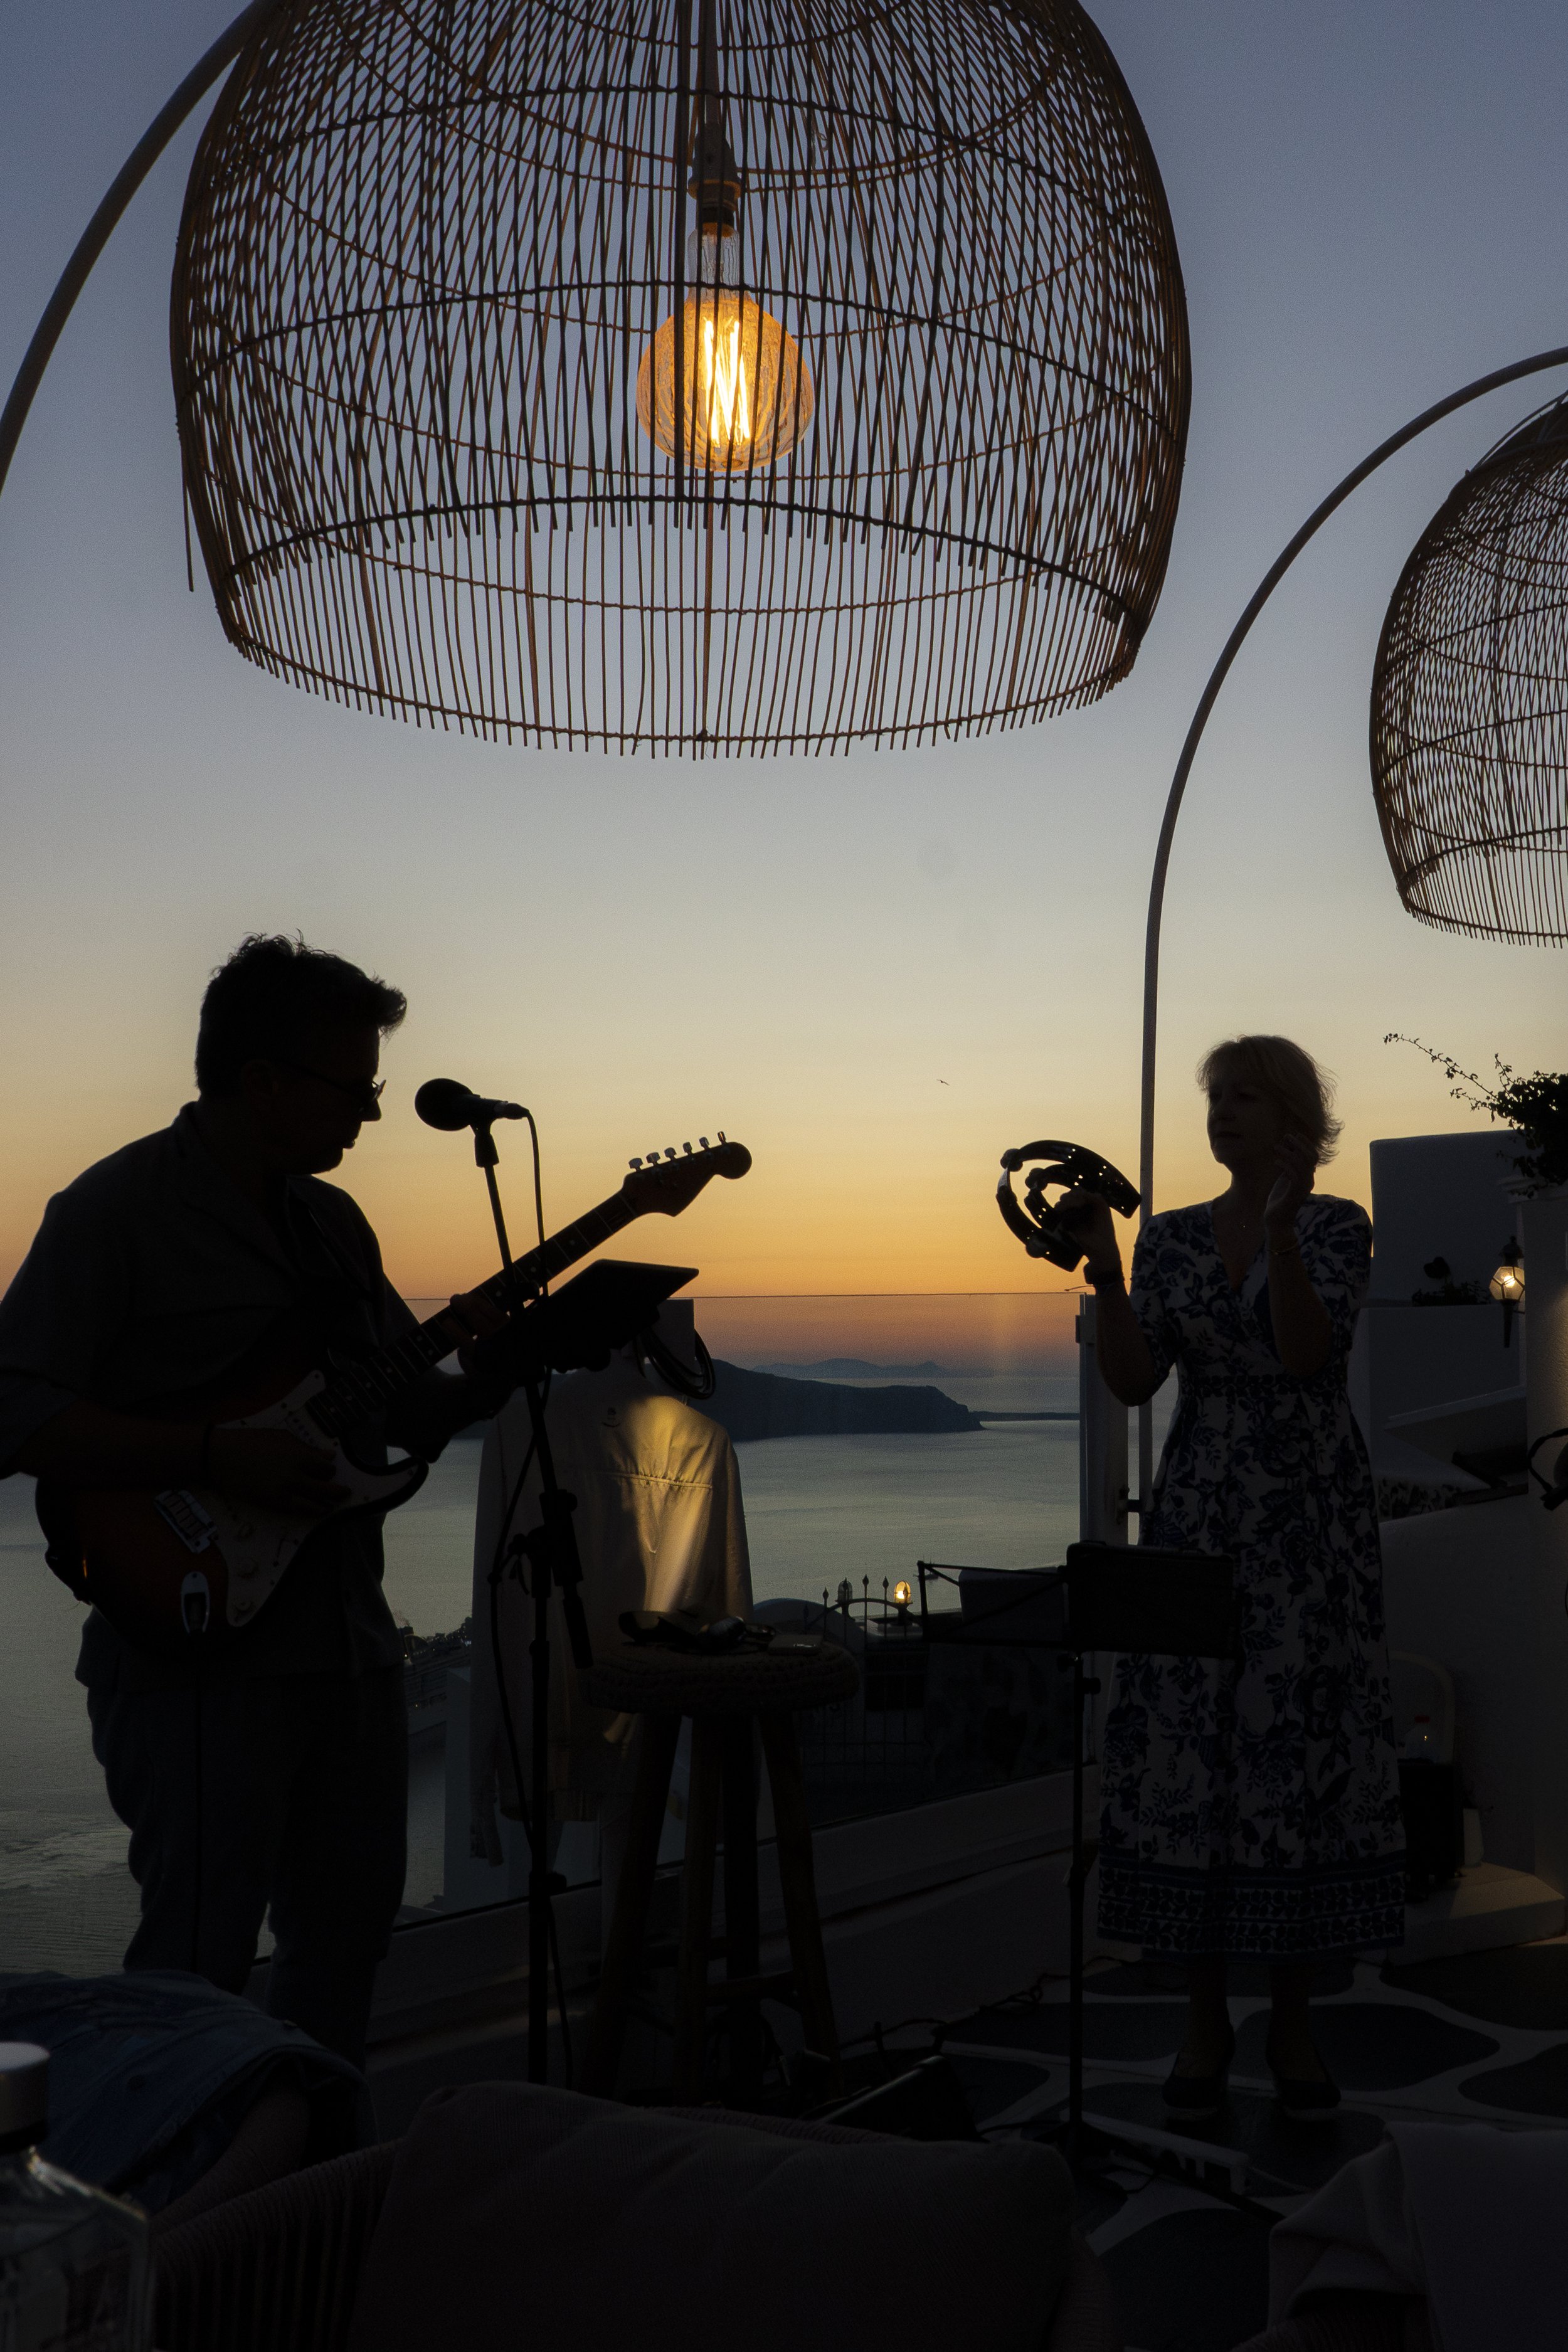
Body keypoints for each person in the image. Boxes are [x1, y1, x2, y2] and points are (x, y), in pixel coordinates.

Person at [0, 936, 519, 2070]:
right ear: (263, 1079)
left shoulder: (334, 1227)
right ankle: (176, 2233)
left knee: (344, 1948)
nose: (373, 1116)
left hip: (346, 1654)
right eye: (357, 1088)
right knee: (195, 1971)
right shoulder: (113, 1211)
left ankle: (307, 2207)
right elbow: (11, 1407)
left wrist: (509, 1360)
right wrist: (208, 1454)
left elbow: (409, 1412)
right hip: (195, 1662)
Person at [1059, 1035, 1404, 2121]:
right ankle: (1204, 2025)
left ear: (1294, 1115)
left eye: (1245, 1097)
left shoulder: (1338, 1225)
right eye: (1217, 1098)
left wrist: (1283, 1237)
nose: (1223, 1114)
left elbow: (1307, 1353)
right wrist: (1110, 1276)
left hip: (1307, 1521)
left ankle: (1293, 2026)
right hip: (1202, 1507)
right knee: (1197, 1756)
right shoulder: (1164, 1242)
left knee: (1294, 1752)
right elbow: (1130, 1379)